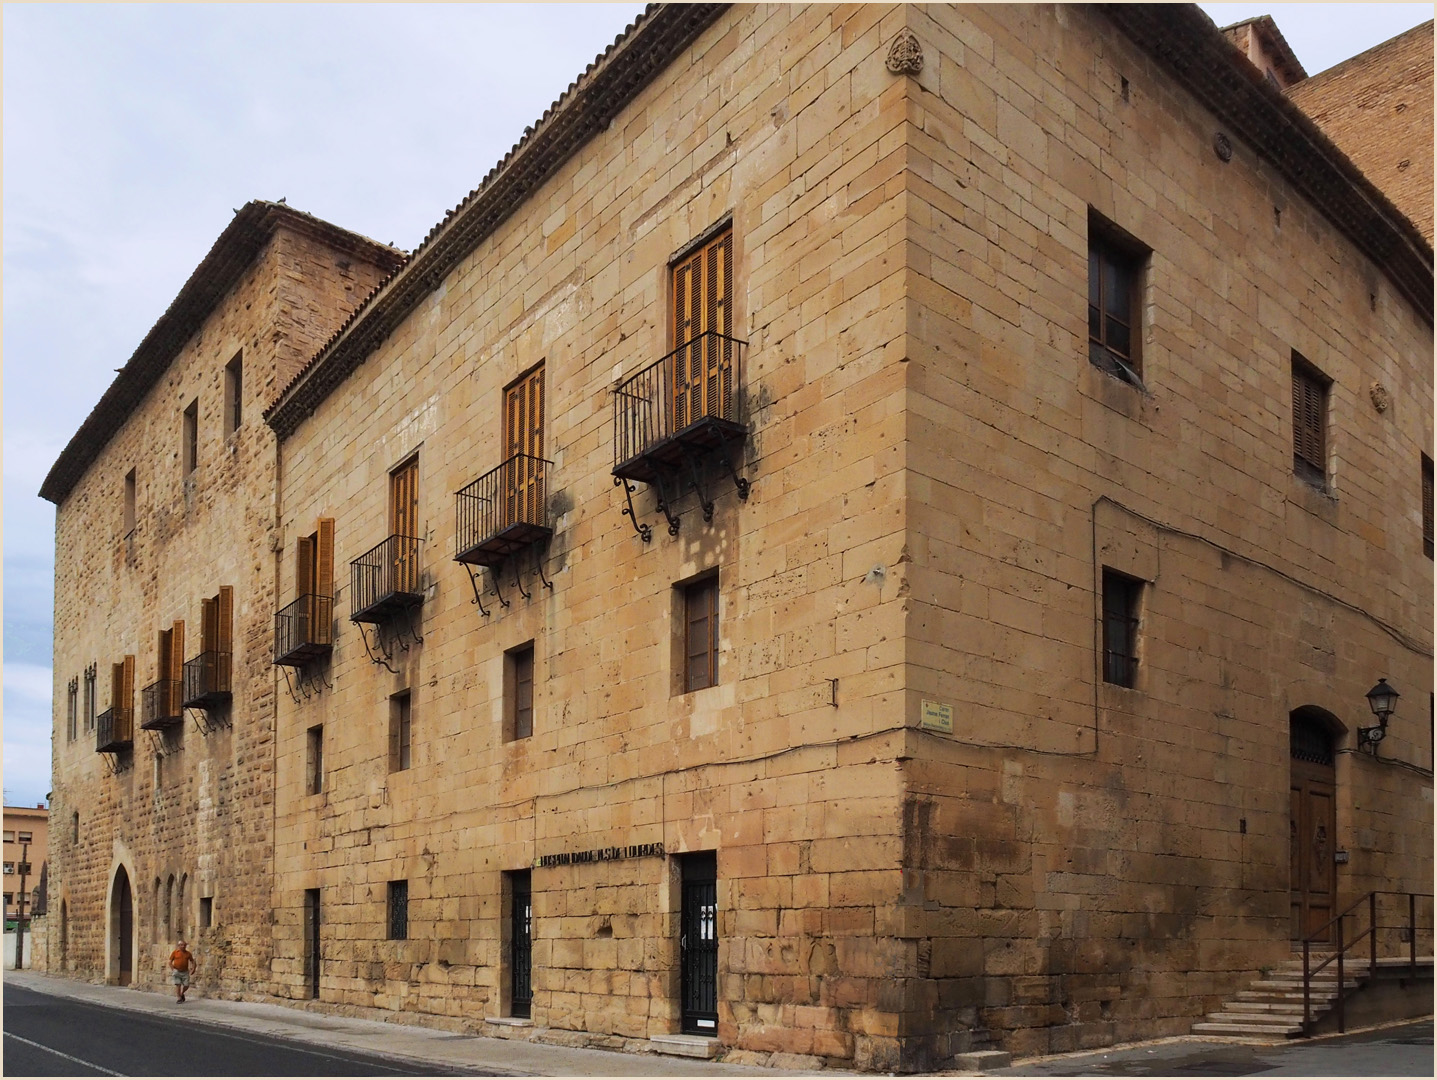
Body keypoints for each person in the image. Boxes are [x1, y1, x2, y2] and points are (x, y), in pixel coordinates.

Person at [169, 938, 196, 1003]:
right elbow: (170, 961)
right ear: (178, 946)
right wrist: (173, 969)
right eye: (181, 945)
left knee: (186, 985)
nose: (183, 946)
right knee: (178, 984)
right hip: (177, 971)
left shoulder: (188, 953)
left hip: (185, 972)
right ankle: (179, 998)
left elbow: (193, 961)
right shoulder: (175, 952)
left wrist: (193, 969)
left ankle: (181, 993)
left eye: (184, 945)